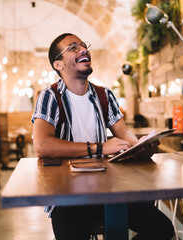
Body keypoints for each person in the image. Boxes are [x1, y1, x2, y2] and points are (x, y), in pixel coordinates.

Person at [31, 33, 174, 240]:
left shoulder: (104, 95)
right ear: (58, 64)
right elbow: (42, 146)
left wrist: (140, 145)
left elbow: (123, 132)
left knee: (161, 228)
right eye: (73, 47)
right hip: (67, 196)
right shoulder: (50, 96)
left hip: (109, 189)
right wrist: (100, 147)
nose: (83, 49)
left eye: (83, 45)